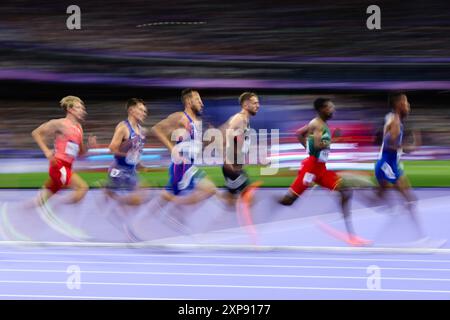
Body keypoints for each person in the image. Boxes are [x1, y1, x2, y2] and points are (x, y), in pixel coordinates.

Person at [278, 98, 370, 246]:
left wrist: (310, 150)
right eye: (329, 107)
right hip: (310, 170)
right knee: (288, 201)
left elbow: (299, 134)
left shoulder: (320, 124)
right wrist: (332, 140)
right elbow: (318, 144)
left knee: (346, 191)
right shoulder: (317, 124)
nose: (333, 110)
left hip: (320, 169)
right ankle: (271, 201)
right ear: (321, 109)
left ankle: (351, 236)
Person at [151, 88, 216, 205]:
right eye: (198, 100)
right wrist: (172, 149)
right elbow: (156, 130)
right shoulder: (181, 117)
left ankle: (140, 222)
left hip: (186, 166)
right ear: (189, 101)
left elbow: (196, 148)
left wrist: (208, 142)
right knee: (210, 189)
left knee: (165, 200)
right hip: (182, 167)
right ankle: (176, 203)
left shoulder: (197, 123)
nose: (202, 103)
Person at [374, 92, 424, 238]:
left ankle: (416, 234)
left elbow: (391, 144)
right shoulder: (395, 122)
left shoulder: (395, 121)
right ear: (398, 105)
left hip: (390, 164)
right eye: (406, 103)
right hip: (387, 165)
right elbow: (390, 145)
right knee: (410, 199)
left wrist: (408, 147)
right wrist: (411, 147)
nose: (408, 106)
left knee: (379, 197)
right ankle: (420, 237)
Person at [32, 95, 96, 206]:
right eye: (79, 108)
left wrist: (88, 146)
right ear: (70, 109)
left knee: (41, 200)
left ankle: (23, 212)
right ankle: (55, 207)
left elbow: (80, 153)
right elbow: (36, 133)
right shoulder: (59, 124)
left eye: (83, 108)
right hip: (58, 165)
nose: (83, 111)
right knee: (82, 188)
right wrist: (47, 152)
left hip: (68, 167)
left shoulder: (79, 128)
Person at [105, 98, 151, 206]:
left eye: (144, 111)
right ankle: (112, 195)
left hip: (131, 170)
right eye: (140, 110)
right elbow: (112, 149)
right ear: (131, 110)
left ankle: (110, 193)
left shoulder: (141, 130)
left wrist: (139, 164)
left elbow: (136, 152)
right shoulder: (123, 128)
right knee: (137, 198)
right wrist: (127, 155)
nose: (143, 113)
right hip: (119, 169)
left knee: (142, 193)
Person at [221, 92, 262, 206]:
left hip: (235, 168)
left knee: (230, 201)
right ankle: (215, 194)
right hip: (231, 168)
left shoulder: (245, 120)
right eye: (254, 103)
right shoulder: (239, 118)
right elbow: (228, 134)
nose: (258, 105)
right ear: (245, 105)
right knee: (249, 199)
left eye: (258, 103)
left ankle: (220, 205)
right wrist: (228, 158)